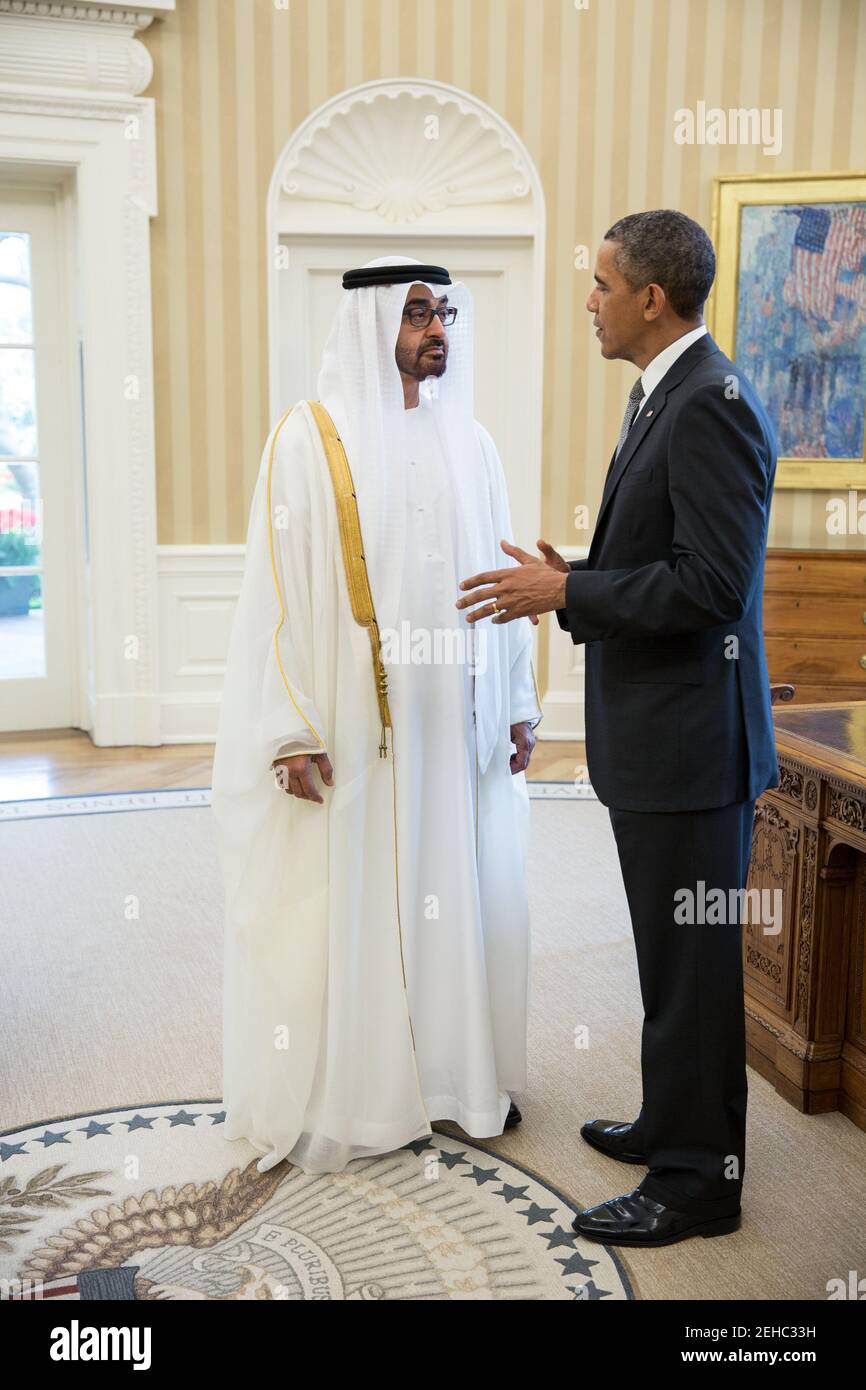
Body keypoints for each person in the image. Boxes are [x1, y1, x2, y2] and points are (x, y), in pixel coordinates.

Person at [456, 210, 778, 1247]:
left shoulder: (705, 404)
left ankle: (696, 1181)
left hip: (693, 748)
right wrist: (578, 576)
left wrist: (567, 593)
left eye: (598, 284)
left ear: (649, 297)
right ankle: (670, 1122)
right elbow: (669, 557)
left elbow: (713, 585)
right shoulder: (663, 395)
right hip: (659, 740)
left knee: (691, 969)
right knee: (664, 958)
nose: (586, 302)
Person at [211, 255, 542, 1175]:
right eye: (416, 316)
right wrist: (289, 726)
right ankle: (363, 1089)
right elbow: (273, 597)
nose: (435, 331)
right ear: (372, 326)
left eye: (441, 315)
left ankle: (451, 1076)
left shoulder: (471, 444)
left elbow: (504, 585)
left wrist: (518, 703)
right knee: (361, 895)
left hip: (456, 726)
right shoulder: (310, 441)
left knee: (455, 888)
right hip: (360, 726)